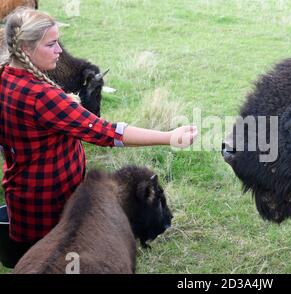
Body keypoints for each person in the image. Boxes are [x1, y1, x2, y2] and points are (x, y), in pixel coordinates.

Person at [0, 8, 197, 267]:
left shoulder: (6, 78)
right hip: (51, 201)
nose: (60, 50)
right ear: (26, 48)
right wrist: (169, 136)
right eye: (51, 44)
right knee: (54, 261)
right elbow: (106, 132)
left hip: (21, 196)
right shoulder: (41, 96)